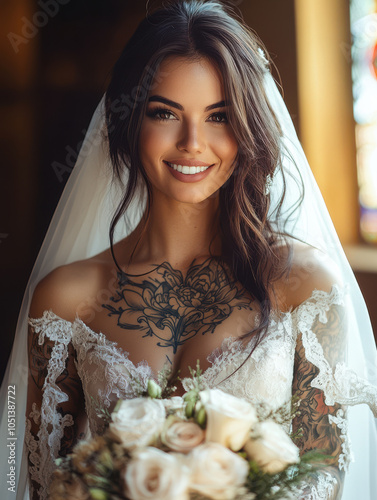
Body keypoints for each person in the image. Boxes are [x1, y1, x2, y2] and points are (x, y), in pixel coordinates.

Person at [1, 1, 376, 499]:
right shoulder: (65, 300)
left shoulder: (303, 285)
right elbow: (37, 478)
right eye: (165, 113)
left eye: (218, 116)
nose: (192, 143)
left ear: (247, 128)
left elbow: (326, 479)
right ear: (129, 122)